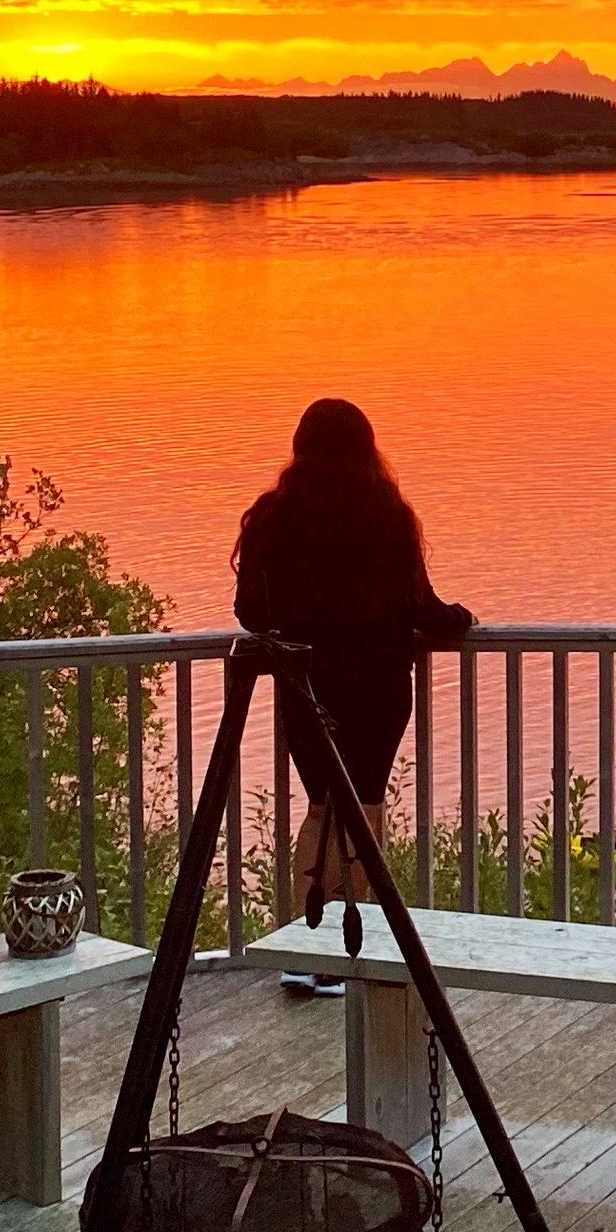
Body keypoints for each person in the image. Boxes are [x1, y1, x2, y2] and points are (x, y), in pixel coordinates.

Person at [232, 399, 472, 937]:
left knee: (322, 807)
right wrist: (459, 618)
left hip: (306, 688)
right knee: (363, 809)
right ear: (368, 450)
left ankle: (306, 935)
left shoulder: (274, 517)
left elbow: (250, 613)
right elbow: (423, 610)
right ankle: (350, 942)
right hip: (378, 692)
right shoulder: (387, 517)